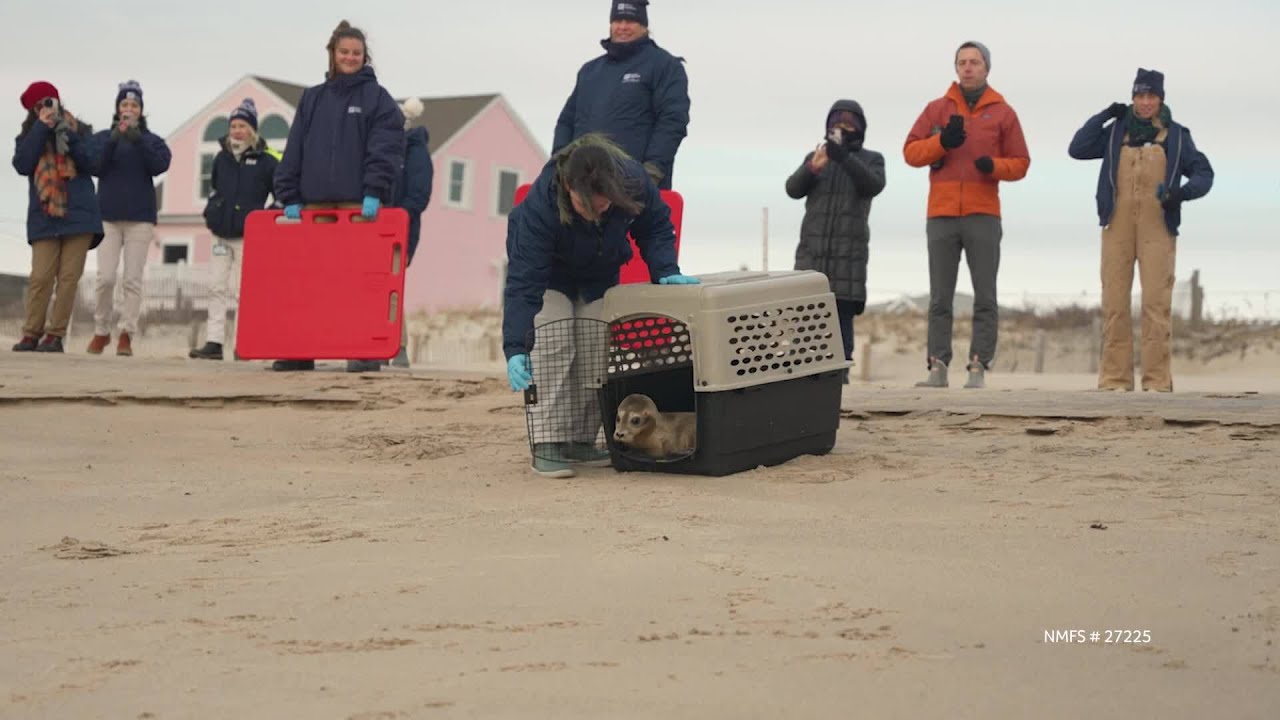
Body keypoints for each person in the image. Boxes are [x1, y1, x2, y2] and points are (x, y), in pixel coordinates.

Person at [503, 134, 697, 478]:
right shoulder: (540, 208)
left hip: (599, 273)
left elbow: (654, 225)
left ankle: (579, 440)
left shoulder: (632, 180)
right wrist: (516, 345)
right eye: (587, 204)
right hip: (549, 276)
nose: (599, 210)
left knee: (594, 349)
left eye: (606, 203)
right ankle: (548, 442)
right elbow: (523, 282)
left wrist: (666, 269)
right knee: (554, 343)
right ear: (567, 186)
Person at [271, 19, 406, 372]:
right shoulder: (313, 97)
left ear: (365, 57)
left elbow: (387, 147)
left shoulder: (377, 98)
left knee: (358, 279)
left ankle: (361, 350)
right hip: (314, 204)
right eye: (344, 51)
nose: (350, 57)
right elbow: (295, 145)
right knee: (310, 278)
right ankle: (301, 349)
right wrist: (288, 193)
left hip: (357, 204)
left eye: (356, 53)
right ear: (333, 53)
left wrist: (374, 191)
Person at [1068, 69, 1214, 392]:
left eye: (1151, 96)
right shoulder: (1114, 132)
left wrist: (1181, 193)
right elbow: (1077, 148)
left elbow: (1205, 174)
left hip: (1158, 227)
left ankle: (1157, 382)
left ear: (1161, 98)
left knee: (1156, 305)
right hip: (1116, 224)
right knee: (1114, 303)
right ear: (1132, 97)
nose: (1145, 102)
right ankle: (1114, 380)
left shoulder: (1176, 135)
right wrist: (1106, 114)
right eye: (1140, 96)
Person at [903, 41, 1030, 389]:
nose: (968, 67)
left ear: (987, 68)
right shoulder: (936, 109)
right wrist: (942, 141)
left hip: (983, 213)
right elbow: (911, 153)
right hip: (941, 214)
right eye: (962, 62)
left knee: (984, 294)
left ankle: (978, 365)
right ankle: (937, 365)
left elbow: (1021, 163)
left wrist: (994, 167)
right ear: (956, 68)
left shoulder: (1003, 113)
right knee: (940, 296)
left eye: (975, 62)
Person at [785, 100, 886, 384]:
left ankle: (839, 377)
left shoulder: (871, 159)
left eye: (849, 123)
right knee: (806, 318)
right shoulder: (817, 157)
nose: (842, 128)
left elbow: (873, 185)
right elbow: (792, 189)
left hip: (848, 256)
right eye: (836, 123)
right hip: (812, 255)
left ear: (861, 128)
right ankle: (804, 377)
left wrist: (844, 157)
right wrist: (812, 168)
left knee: (840, 320)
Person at [552, 0, 690, 190]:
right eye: (618, 21)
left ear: (644, 26)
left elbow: (673, 120)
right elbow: (566, 121)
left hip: (635, 185)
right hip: (582, 185)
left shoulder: (665, 66)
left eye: (630, 21)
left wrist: (653, 170)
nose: (623, 27)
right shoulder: (590, 71)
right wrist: (559, 164)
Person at [11, 81, 104, 353]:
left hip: (79, 215)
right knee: (40, 277)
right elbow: (22, 164)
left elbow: (93, 162)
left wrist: (67, 133)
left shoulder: (80, 130)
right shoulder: (28, 135)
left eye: (50, 101)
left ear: (59, 100)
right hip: (45, 214)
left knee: (68, 278)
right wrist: (42, 127)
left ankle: (56, 335)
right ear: (33, 110)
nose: (47, 107)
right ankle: (31, 333)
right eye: (40, 105)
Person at [190, 98, 282, 361]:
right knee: (216, 287)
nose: (237, 131)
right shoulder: (221, 158)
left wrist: (265, 218)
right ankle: (214, 342)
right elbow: (216, 189)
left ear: (252, 129)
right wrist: (212, 212)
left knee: (245, 291)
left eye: (242, 125)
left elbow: (280, 194)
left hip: (249, 236)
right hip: (222, 233)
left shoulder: (266, 160)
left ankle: (245, 344)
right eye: (234, 125)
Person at [88, 79, 172, 357]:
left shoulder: (151, 140)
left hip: (139, 219)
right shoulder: (103, 138)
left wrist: (139, 140)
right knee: (105, 278)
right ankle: (101, 331)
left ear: (141, 110)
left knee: (132, 280)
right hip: (108, 218)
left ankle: (126, 333)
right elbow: (95, 166)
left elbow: (160, 164)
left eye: (134, 105)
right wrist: (114, 140)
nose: (129, 109)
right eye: (124, 104)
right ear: (117, 109)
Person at [387, 96, 433, 368]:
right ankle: (374, 344)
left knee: (391, 288)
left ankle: (398, 346)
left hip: (400, 228)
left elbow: (419, 193)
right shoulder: (377, 147)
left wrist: (398, 217)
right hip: (373, 224)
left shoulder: (414, 149)